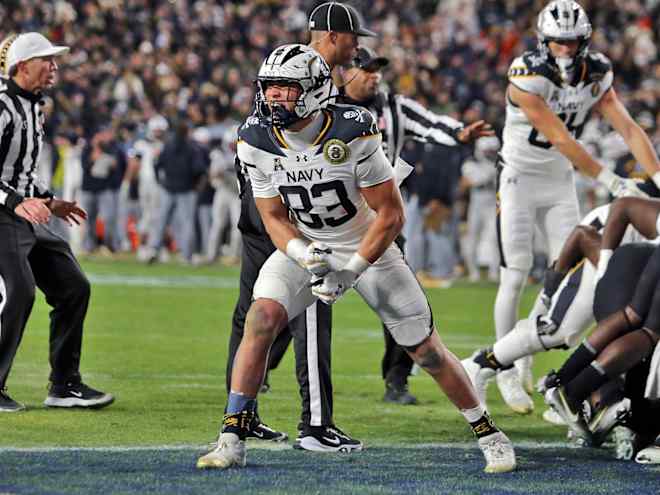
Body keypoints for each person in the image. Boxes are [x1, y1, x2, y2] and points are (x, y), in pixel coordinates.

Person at [197, 43, 516, 473]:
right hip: (307, 240)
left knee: (427, 352)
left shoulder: (351, 130)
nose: (273, 97)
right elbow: (273, 216)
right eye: (269, 87)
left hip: (367, 246)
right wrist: (302, 252)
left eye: (285, 89)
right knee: (261, 318)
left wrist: (351, 270)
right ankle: (232, 436)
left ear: (312, 91)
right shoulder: (254, 137)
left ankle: (489, 433)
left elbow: (391, 214)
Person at [491, 0, 660, 412]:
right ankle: (505, 370)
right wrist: (610, 179)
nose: (564, 50)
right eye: (557, 42)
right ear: (542, 41)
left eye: (571, 42)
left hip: (560, 180)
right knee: (515, 274)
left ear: (583, 41)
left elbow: (628, 126)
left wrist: (657, 176)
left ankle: (525, 356)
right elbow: (563, 140)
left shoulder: (597, 72)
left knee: (566, 271)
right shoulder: (526, 74)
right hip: (519, 178)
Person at [223, 1, 376, 452]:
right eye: (353, 37)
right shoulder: (300, 76)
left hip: (269, 201)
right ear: (331, 36)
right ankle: (314, 424)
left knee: (258, 311)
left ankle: (242, 414)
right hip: (285, 205)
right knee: (311, 307)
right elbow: (267, 136)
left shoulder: (293, 70)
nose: (357, 45)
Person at [338, 46, 494, 404]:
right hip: (332, 218)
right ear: (347, 72)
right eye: (366, 69)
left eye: (378, 69)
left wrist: (460, 133)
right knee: (301, 299)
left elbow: (432, 124)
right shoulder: (327, 105)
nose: (374, 75)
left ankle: (397, 381)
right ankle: (264, 369)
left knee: (400, 303)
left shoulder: (395, 106)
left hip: (380, 220)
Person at [462, 182, 660, 414]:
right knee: (560, 329)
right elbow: (583, 235)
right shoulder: (632, 222)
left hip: (629, 256)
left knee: (630, 328)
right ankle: (481, 364)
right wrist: (551, 290)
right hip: (605, 244)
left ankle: (576, 396)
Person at [0, 32, 113, 412]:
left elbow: (22, 170)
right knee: (18, 291)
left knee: (73, 286)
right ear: (21, 66)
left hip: (25, 212)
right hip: (4, 214)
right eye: (46, 60)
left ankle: (63, 385)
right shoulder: (2, 105)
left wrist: (49, 200)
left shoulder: (34, 106)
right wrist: (18, 201)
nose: (54, 67)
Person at [544, 196, 660, 442]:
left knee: (637, 327)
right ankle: (592, 400)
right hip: (631, 275)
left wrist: (604, 264)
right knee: (648, 339)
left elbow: (620, 208)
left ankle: (566, 384)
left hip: (630, 267)